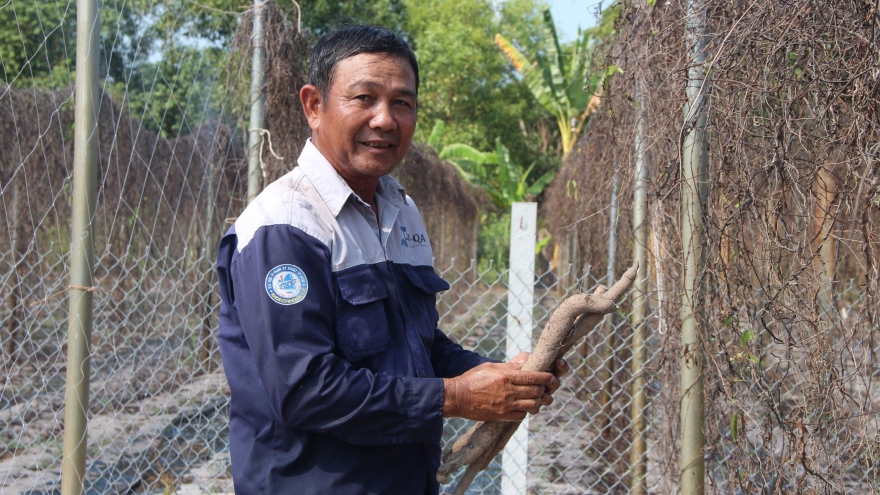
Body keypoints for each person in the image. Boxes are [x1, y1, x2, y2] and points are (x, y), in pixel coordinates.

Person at [216, 25, 568, 495]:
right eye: (364, 98)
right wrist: (457, 396)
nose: (385, 120)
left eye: (402, 103)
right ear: (314, 106)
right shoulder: (286, 227)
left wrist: (502, 375)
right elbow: (304, 390)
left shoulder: (399, 209)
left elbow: (416, 344)